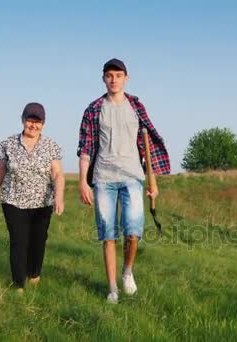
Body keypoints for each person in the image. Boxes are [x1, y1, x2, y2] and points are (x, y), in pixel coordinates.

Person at [77, 58, 170, 303]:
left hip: (132, 176)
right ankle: (112, 289)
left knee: (133, 232)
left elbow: (147, 143)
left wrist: (153, 183)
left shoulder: (136, 106)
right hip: (104, 178)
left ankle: (127, 272)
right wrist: (83, 182)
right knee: (108, 235)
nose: (114, 79)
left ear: (126, 78)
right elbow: (85, 148)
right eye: (109, 75)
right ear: (103, 79)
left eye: (118, 75)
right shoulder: (94, 109)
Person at [0, 102, 65, 294]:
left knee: (38, 242)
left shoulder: (51, 146)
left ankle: (34, 273)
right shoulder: (8, 144)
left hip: (42, 203)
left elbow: (57, 174)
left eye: (37, 121)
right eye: (30, 120)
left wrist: (59, 196)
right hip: (13, 201)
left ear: (44, 123)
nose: (33, 125)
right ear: (23, 120)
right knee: (18, 241)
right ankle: (18, 285)